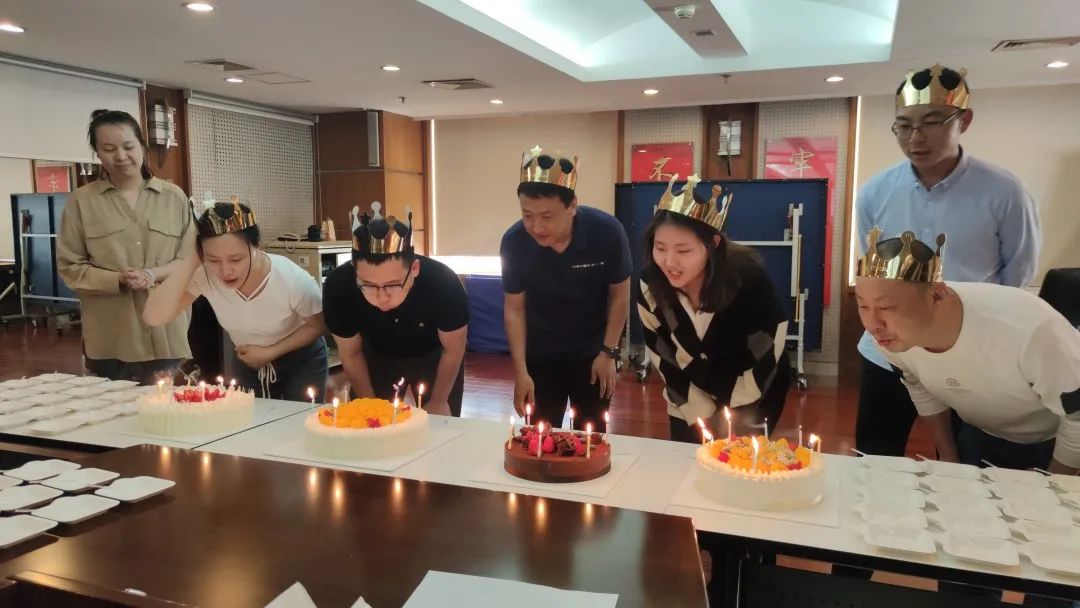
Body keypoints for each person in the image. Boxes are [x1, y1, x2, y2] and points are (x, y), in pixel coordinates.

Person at [854, 64, 1041, 456]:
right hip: (888, 351)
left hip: (964, 350)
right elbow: (874, 271)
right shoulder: (875, 192)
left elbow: (1018, 273)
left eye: (932, 123)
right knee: (874, 453)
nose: (915, 138)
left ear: (964, 121)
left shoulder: (1004, 192)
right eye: (904, 126)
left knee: (961, 456)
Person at [855, 228, 1079, 474]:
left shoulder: (1029, 330)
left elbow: (1077, 415)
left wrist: (1056, 481)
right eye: (862, 306)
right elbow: (918, 386)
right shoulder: (891, 337)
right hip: (980, 431)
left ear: (937, 295)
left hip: (1057, 440)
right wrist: (948, 454)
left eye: (886, 307)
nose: (872, 324)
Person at [638, 176, 792, 443]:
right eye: (660, 248)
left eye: (683, 251)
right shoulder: (650, 285)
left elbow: (768, 350)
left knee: (738, 461)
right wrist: (699, 412)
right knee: (688, 459)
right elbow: (661, 352)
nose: (669, 262)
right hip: (686, 394)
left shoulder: (749, 282)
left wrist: (730, 414)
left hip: (752, 392)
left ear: (713, 244)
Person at [143, 195, 327, 401]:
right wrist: (192, 260)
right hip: (246, 360)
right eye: (213, 259)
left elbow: (318, 325)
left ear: (257, 247)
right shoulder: (205, 275)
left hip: (300, 358)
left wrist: (269, 352)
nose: (225, 270)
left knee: (299, 418)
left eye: (236, 259)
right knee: (248, 417)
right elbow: (154, 317)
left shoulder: (291, 279)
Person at [57, 109, 195, 384]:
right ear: (98, 153)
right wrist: (117, 280)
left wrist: (152, 274)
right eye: (109, 149)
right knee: (111, 408)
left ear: (142, 146)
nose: (120, 156)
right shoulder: (81, 202)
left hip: (166, 331)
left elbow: (190, 259)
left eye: (128, 146)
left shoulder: (173, 197)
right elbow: (70, 266)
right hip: (111, 336)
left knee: (164, 407)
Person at [501, 146, 631, 431]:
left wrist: (608, 352)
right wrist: (520, 372)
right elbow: (514, 310)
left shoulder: (606, 232)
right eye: (527, 215)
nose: (536, 227)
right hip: (540, 359)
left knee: (590, 438)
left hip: (593, 355)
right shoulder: (514, 242)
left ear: (572, 206)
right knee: (540, 439)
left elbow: (620, 294)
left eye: (547, 217)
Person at [323, 203, 468, 416]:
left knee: (440, 424)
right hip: (376, 355)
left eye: (392, 285)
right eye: (368, 285)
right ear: (355, 271)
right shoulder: (339, 287)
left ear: (414, 269)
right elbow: (351, 354)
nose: (382, 297)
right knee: (369, 421)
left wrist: (439, 400)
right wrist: (369, 405)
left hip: (433, 355)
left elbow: (453, 350)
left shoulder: (444, 284)